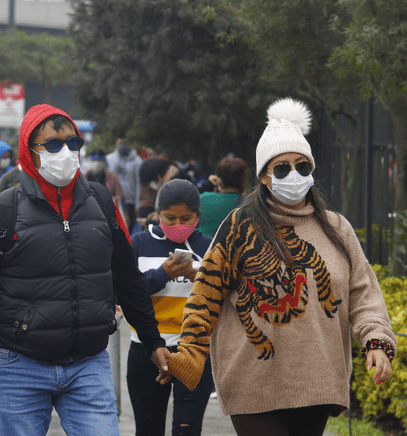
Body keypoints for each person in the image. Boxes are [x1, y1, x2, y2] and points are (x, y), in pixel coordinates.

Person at [164, 98, 396, 436]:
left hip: (318, 383)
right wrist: (190, 351)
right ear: (264, 177)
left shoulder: (336, 228)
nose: (294, 174)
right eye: (282, 168)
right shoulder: (238, 226)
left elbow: (363, 292)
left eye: (302, 166)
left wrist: (376, 341)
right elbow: (206, 294)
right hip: (252, 384)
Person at [0, 104, 170, 435]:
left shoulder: (102, 204)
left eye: (73, 143)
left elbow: (127, 277)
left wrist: (153, 340)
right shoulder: (1, 214)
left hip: (88, 363)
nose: (65, 152)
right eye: (53, 144)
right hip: (19, 364)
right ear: (29, 151)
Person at [129, 179, 213, 436]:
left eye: (186, 218)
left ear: (198, 215)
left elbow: (225, 296)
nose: (178, 225)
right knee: (148, 429)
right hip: (146, 350)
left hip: (195, 351)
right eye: (170, 217)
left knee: (188, 430)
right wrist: (162, 274)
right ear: (157, 214)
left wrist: (198, 278)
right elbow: (128, 293)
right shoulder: (140, 243)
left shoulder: (208, 247)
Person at [197, 157, 248, 238]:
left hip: (206, 249)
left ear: (219, 180)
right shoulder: (251, 203)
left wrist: (207, 185)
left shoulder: (202, 198)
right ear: (244, 181)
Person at [107, 139, 142, 233]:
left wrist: (137, 203)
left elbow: (139, 183)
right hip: (113, 200)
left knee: (127, 229)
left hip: (130, 201)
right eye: (119, 143)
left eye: (124, 143)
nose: (122, 145)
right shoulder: (109, 159)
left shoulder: (137, 161)